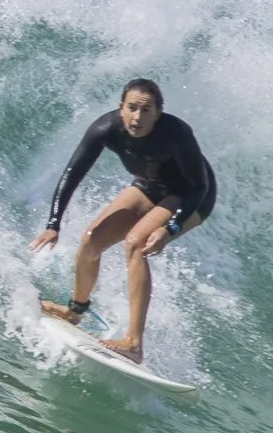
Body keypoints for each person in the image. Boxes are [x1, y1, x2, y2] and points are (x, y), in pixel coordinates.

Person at [30, 78, 216, 364]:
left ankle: (134, 343)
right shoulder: (105, 129)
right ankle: (74, 312)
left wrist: (171, 228)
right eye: (132, 108)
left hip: (191, 195)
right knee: (91, 240)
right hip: (149, 185)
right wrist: (53, 224)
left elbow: (198, 187)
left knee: (136, 244)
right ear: (121, 108)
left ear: (158, 112)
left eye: (146, 110)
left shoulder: (177, 134)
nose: (137, 117)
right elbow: (72, 173)